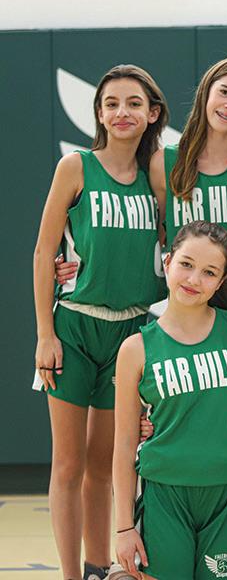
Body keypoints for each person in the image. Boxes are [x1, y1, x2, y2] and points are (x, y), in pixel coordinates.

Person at [32, 64, 167, 580]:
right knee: (67, 463)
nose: (121, 112)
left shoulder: (157, 178)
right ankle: (70, 574)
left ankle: (97, 567)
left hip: (130, 332)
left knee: (106, 463)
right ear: (99, 114)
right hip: (74, 326)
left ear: (152, 113)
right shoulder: (76, 167)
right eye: (111, 103)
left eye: (133, 103)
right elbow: (44, 251)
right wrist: (45, 334)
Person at [113, 221, 227, 580]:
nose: (194, 279)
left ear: (221, 281)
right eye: (186, 264)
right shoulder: (135, 349)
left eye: (209, 272)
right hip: (165, 494)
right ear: (167, 262)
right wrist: (123, 527)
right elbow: (124, 442)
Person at [152, 55, 227, 332]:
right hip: (191, 314)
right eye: (225, 92)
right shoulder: (164, 163)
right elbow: (157, 234)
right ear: (207, 90)